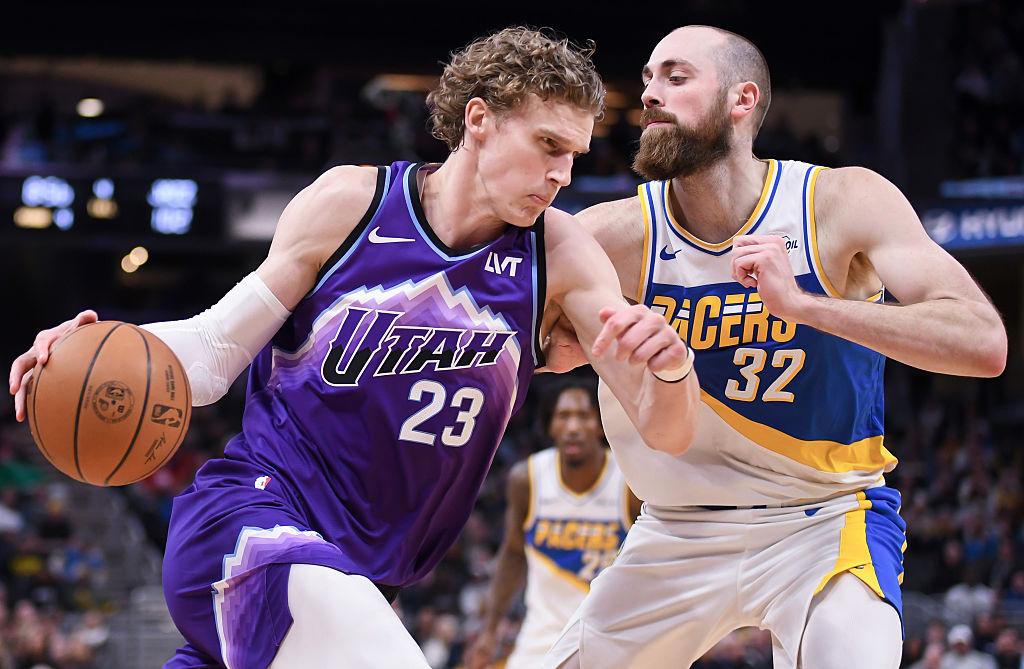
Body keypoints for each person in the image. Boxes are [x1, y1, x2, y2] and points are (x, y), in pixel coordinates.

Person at [8, 26, 700, 669]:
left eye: (574, 156)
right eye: (549, 145)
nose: (563, 176)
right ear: (479, 119)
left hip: (365, 580)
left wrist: (670, 366)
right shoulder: (353, 204)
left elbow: (665, 431)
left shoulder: (561, 256)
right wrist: (105, 344)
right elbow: (214, 352)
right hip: (251, 527)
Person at [541, 24, 1007, 669]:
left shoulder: (839, 202)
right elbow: (508, 338)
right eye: (647, 79)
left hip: (823, 519)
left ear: (741, 100)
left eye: (676, 77)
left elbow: (983, 342)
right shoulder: (610, 237)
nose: (649, 93)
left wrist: (806, 307)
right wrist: (565, 346)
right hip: (678, 527)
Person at [466, 379, 641, 669]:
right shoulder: (528, 479)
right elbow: (511, 554)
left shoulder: (629, 481)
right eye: (563, 416)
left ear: (601, 425)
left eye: (583, 416)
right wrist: (490, 629)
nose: (573, 427)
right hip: (542, 638)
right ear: (550, 427)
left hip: (611, 635)